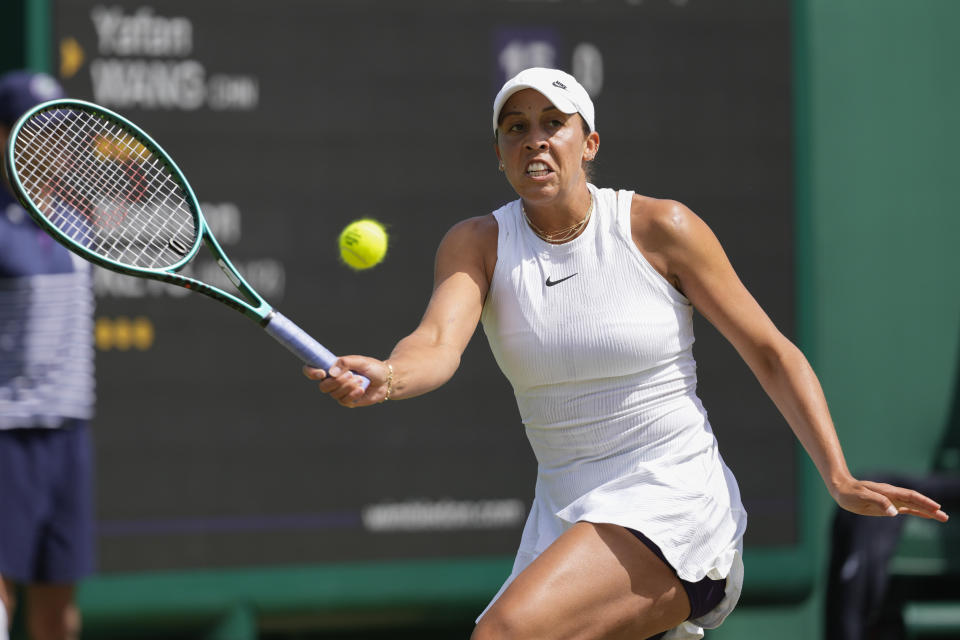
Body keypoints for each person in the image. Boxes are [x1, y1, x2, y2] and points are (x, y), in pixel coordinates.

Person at [304, 67, 948, 640]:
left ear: (589, 145)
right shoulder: (477, 243)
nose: (534, 139)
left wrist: (837, 475)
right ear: (499, 154)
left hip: (672, 498)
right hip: (565, 515)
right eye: (515, 128)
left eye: (554, 124)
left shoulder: (660, 226)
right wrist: (387, 376)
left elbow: (771, 352)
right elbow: (436, 346)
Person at [0, 70, 96, 640]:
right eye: (33, 132)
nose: (50, 148)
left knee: (58, 600)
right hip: (5, 432)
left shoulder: (74, 223)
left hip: (68, 431)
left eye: (58, 133)